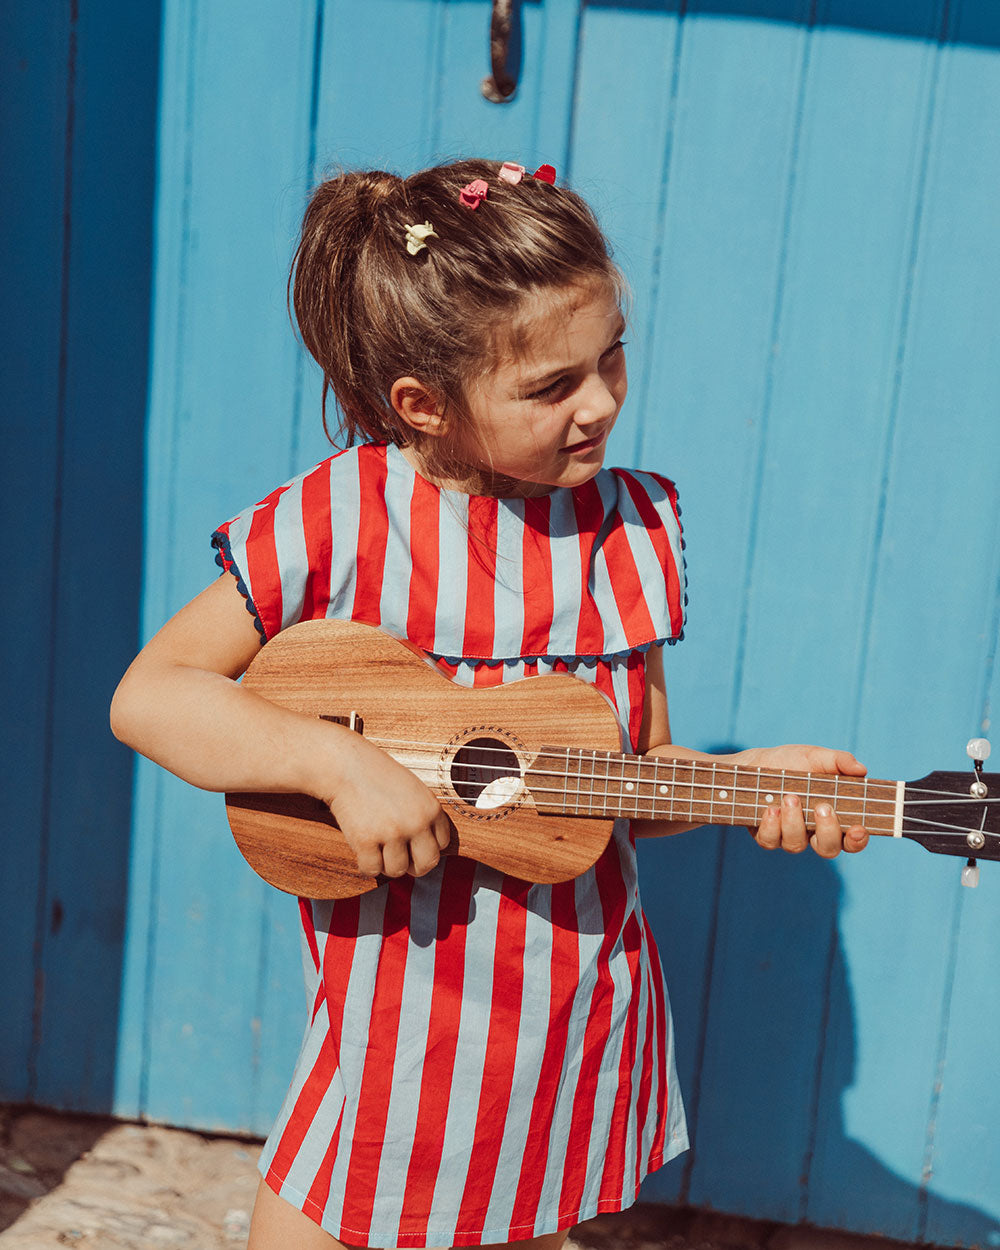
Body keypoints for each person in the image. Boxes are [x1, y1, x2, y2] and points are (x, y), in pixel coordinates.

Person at [110, 158, 870, 1250]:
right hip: (397, 1018)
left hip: (566, 1005)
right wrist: (338, 765)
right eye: (551, 385)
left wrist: (743, 787)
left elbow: (627, 780)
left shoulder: (633, 532)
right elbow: (151, 696)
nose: (600, 400)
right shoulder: (338, 519)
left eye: (611, 357)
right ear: (423, 403)